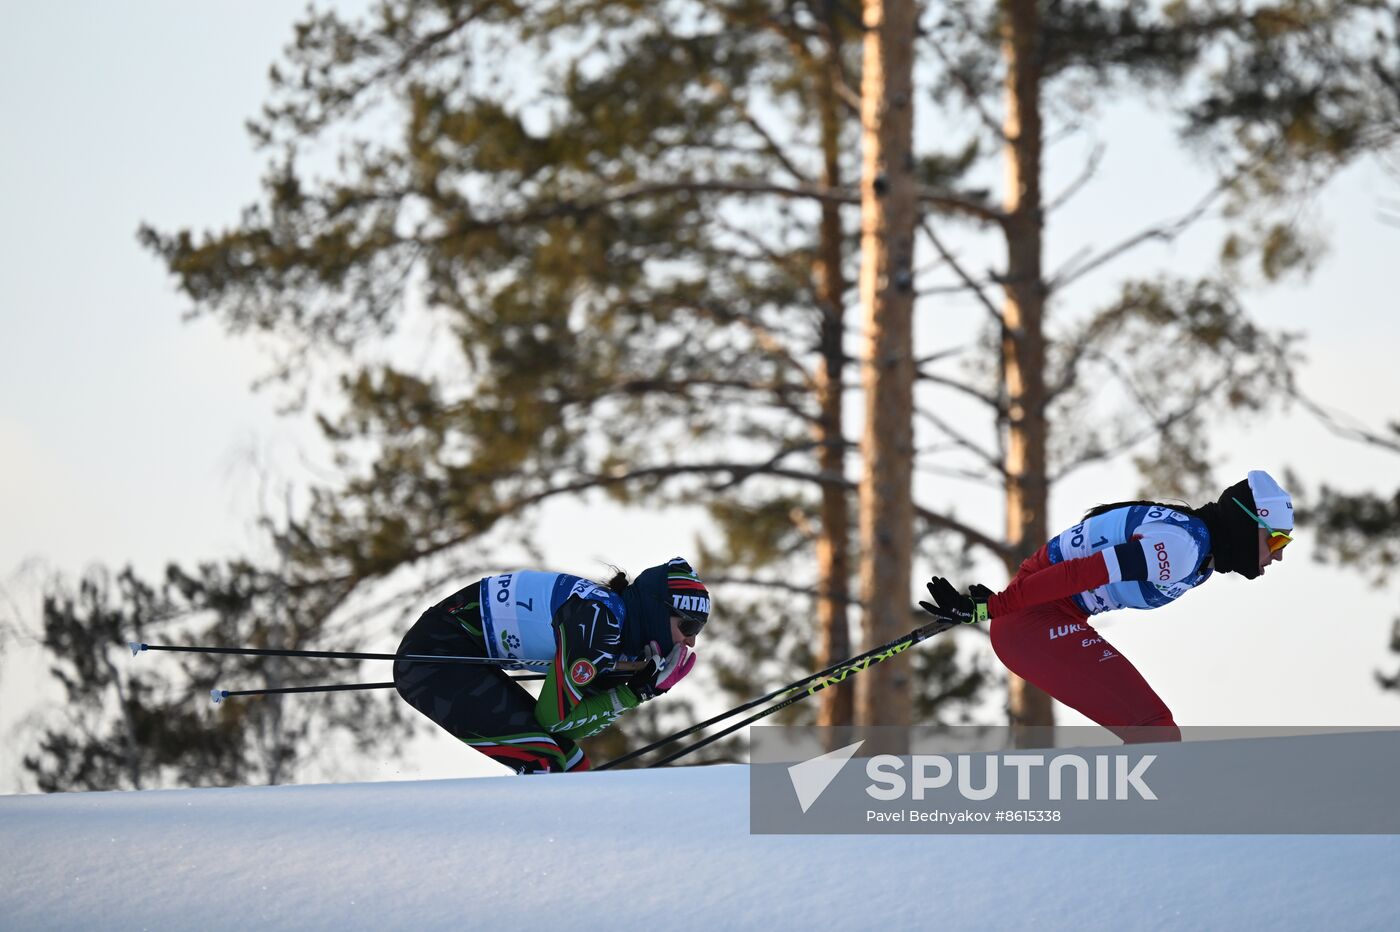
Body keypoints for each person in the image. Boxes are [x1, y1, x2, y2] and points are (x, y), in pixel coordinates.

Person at [920, 470, 1294, 743]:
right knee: (1154, 730)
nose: (1276, 558)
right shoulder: (1183, 548)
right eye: (1275, 542)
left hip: (1036, 613)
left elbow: (1066, 562)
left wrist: (1014, 595)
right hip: (1033, 621)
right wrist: (998, 606)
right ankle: (1134, 839)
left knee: (1154, 730)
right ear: (1249, 526)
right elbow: (1082, 572)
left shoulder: (1196, 548)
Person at [392, 557, 710, 774]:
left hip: (460, 654)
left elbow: (573, 727)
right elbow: (556, 721)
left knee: (574, 766)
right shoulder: (601, 624)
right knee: (545, 762)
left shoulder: (617, 637)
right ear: (656, 612)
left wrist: (635, 688)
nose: (690, 643)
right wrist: (636, 694)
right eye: (689, 627)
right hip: (433, 656)